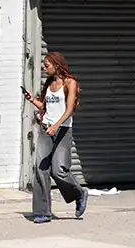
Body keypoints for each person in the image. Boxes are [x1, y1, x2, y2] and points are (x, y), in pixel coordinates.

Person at [24, 51, 88, 223]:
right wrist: (31, 100)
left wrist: (56, 125)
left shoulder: (70, 83)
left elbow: (69, 109)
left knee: (59, 170)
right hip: (46, 130)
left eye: (47, 65)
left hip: (62, 130)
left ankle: (80, 193)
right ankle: (43, 212)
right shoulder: (49, 84)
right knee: (41, 169)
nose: (45, 68)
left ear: (57, 64)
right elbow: (44, 107)